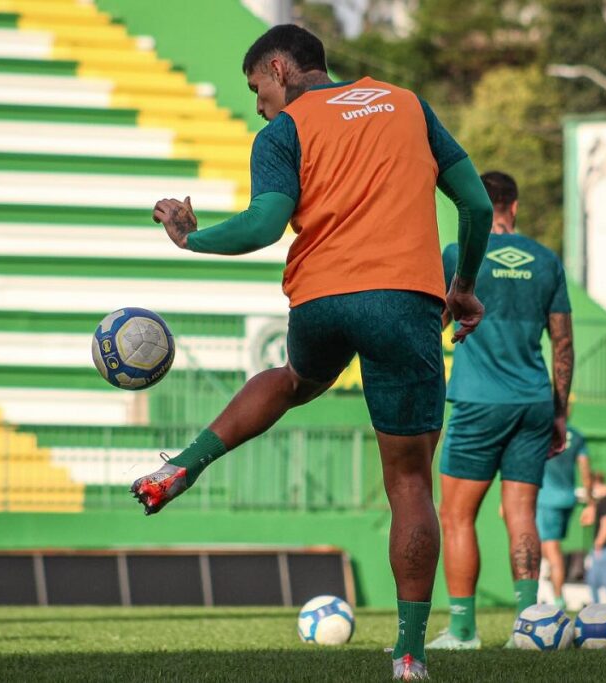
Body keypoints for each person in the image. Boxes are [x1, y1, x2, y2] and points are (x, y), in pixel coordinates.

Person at [130, 25, 493, 680]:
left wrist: (192, 237)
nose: (259, 105)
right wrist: (462, 284)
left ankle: (183, 465)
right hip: (405, 300)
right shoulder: (407, 103)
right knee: (409, 483)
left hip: (321, 300)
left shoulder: (282, 133)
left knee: (296, 377)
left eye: (257, 90)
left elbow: (266, 224)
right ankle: (409, 656)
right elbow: (473, 201)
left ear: (280, 67)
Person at [426, 171, 574, 650]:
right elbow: (564, 344)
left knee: (455, 516)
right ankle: (528, 628)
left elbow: (436, 322)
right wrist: (559, 413)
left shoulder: (458, 255)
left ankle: (465, 631)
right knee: (521, 513)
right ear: (515, 206)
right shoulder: (548, 260)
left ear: (479, 204)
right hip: (533, 402)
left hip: (477, 402)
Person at [536, 402, 592, 610]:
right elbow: (585, 469)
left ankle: (559, 599)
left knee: (551, 550)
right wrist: (590, 502)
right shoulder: (577, 436)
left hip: (547, 498)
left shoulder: (544, 432)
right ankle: (550, 585)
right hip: (568, 498)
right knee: (547, 547)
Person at [585, 472, 606, 607]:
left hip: (605, 548)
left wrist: (598, 544)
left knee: (605, 581)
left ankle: (605, 610)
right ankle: (600, 608)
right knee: (594, 580)